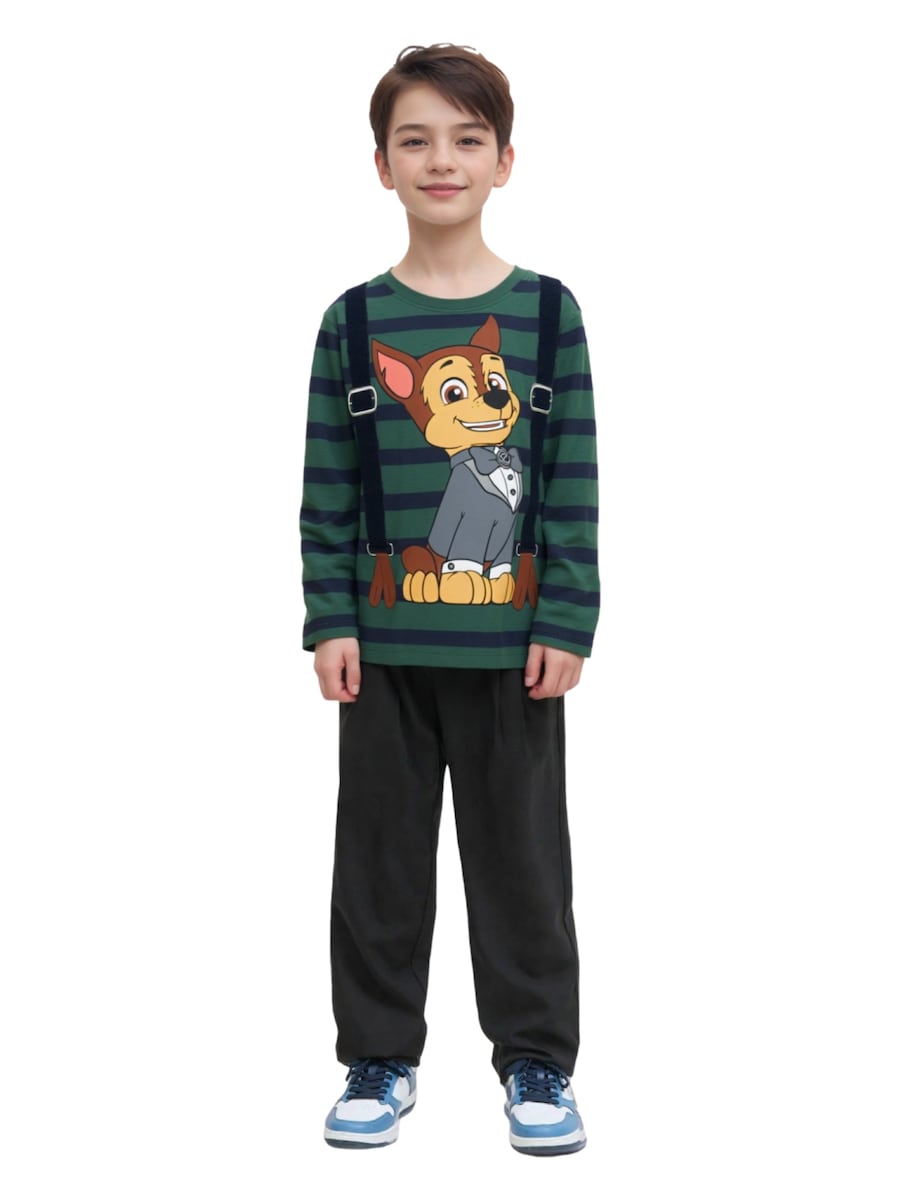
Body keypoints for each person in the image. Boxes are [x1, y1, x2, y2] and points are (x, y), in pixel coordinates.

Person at [300, 44, 600, 1156]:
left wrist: (566, 617)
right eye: (416, 140)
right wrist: (330, 617)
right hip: (382, 646)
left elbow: (571, 479)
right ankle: (378, 1057)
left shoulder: (547, 316)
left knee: (523, 864)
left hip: (514, 649)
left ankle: (537, 1061)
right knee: (378, 862)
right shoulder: (351, 323)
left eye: (467, 139)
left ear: (503, 160)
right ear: (382, 164)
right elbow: (329, 485)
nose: (442, 160)